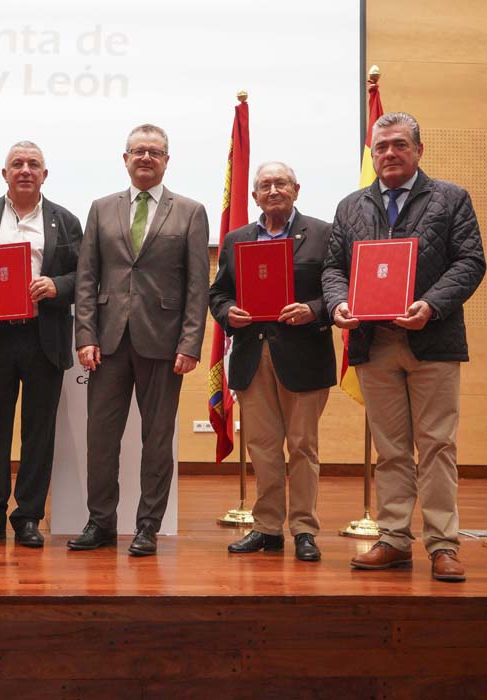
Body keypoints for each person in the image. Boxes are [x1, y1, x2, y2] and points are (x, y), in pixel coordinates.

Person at [322, 112, 486, 582]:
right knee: (391, 450)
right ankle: (394, 538)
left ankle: (442, 544)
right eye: (380, 147)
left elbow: (471, 260)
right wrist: (337, 304)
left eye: (398, 145)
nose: (388, 153)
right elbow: (334, 268)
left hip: (432, 339)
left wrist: (431, 304)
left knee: (437, 445)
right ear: (371, 154)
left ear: (418, 150)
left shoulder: (450, 198)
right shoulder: (351, 205)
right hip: (373, 345)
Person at [69, 124, 209, 557]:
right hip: (107, 342)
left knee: (157, 438)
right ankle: (100, 523)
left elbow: (197, 285)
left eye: (154, 152)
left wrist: (190, 343)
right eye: (138, 151)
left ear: (167, 160)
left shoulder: (190, 211)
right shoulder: (101, 208)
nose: (145, 158)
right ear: (124, 158)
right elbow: (87, 277)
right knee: (101, 437)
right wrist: (85, 334)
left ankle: (148, 526)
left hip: (164, 343)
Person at [0, 141, 83, 548]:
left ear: (45, 174)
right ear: (4, 173)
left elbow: (86, 275)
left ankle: (27, 517)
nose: (25, 170)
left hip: (45, 336)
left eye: (33, 164)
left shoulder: (66, 220)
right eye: (17, 164)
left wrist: (57, 285)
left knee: (38, 434)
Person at [208, 162, 335, 562]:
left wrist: (314, 309)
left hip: (304, 357)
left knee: (302, 447)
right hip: (251, 354)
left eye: (281, 183)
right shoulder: (236, 238)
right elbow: (218, 293)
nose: (274, 190)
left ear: (297, 188)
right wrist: (228, 312)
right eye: (265, 185)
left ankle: (303, 530)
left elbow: (338, 289)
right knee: (262, 448)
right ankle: (266, 527)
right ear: (254, 196)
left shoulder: (323, 233)